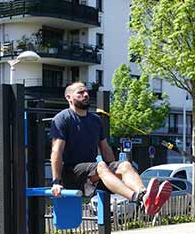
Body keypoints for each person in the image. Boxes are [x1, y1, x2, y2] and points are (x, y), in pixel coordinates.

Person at [50, 82, 171, 215]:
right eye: (80, 93)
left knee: (124, 165)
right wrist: (56, 181)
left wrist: (115, 170)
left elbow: (106, 149)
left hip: (92, 172)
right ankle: (137, 199)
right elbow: (56, 152)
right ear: (69, 97)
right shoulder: (62, 119)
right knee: (101, 165)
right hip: (72, 173)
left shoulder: (95, 120)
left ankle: (144, 195)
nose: (85, 95)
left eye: (86, 92)